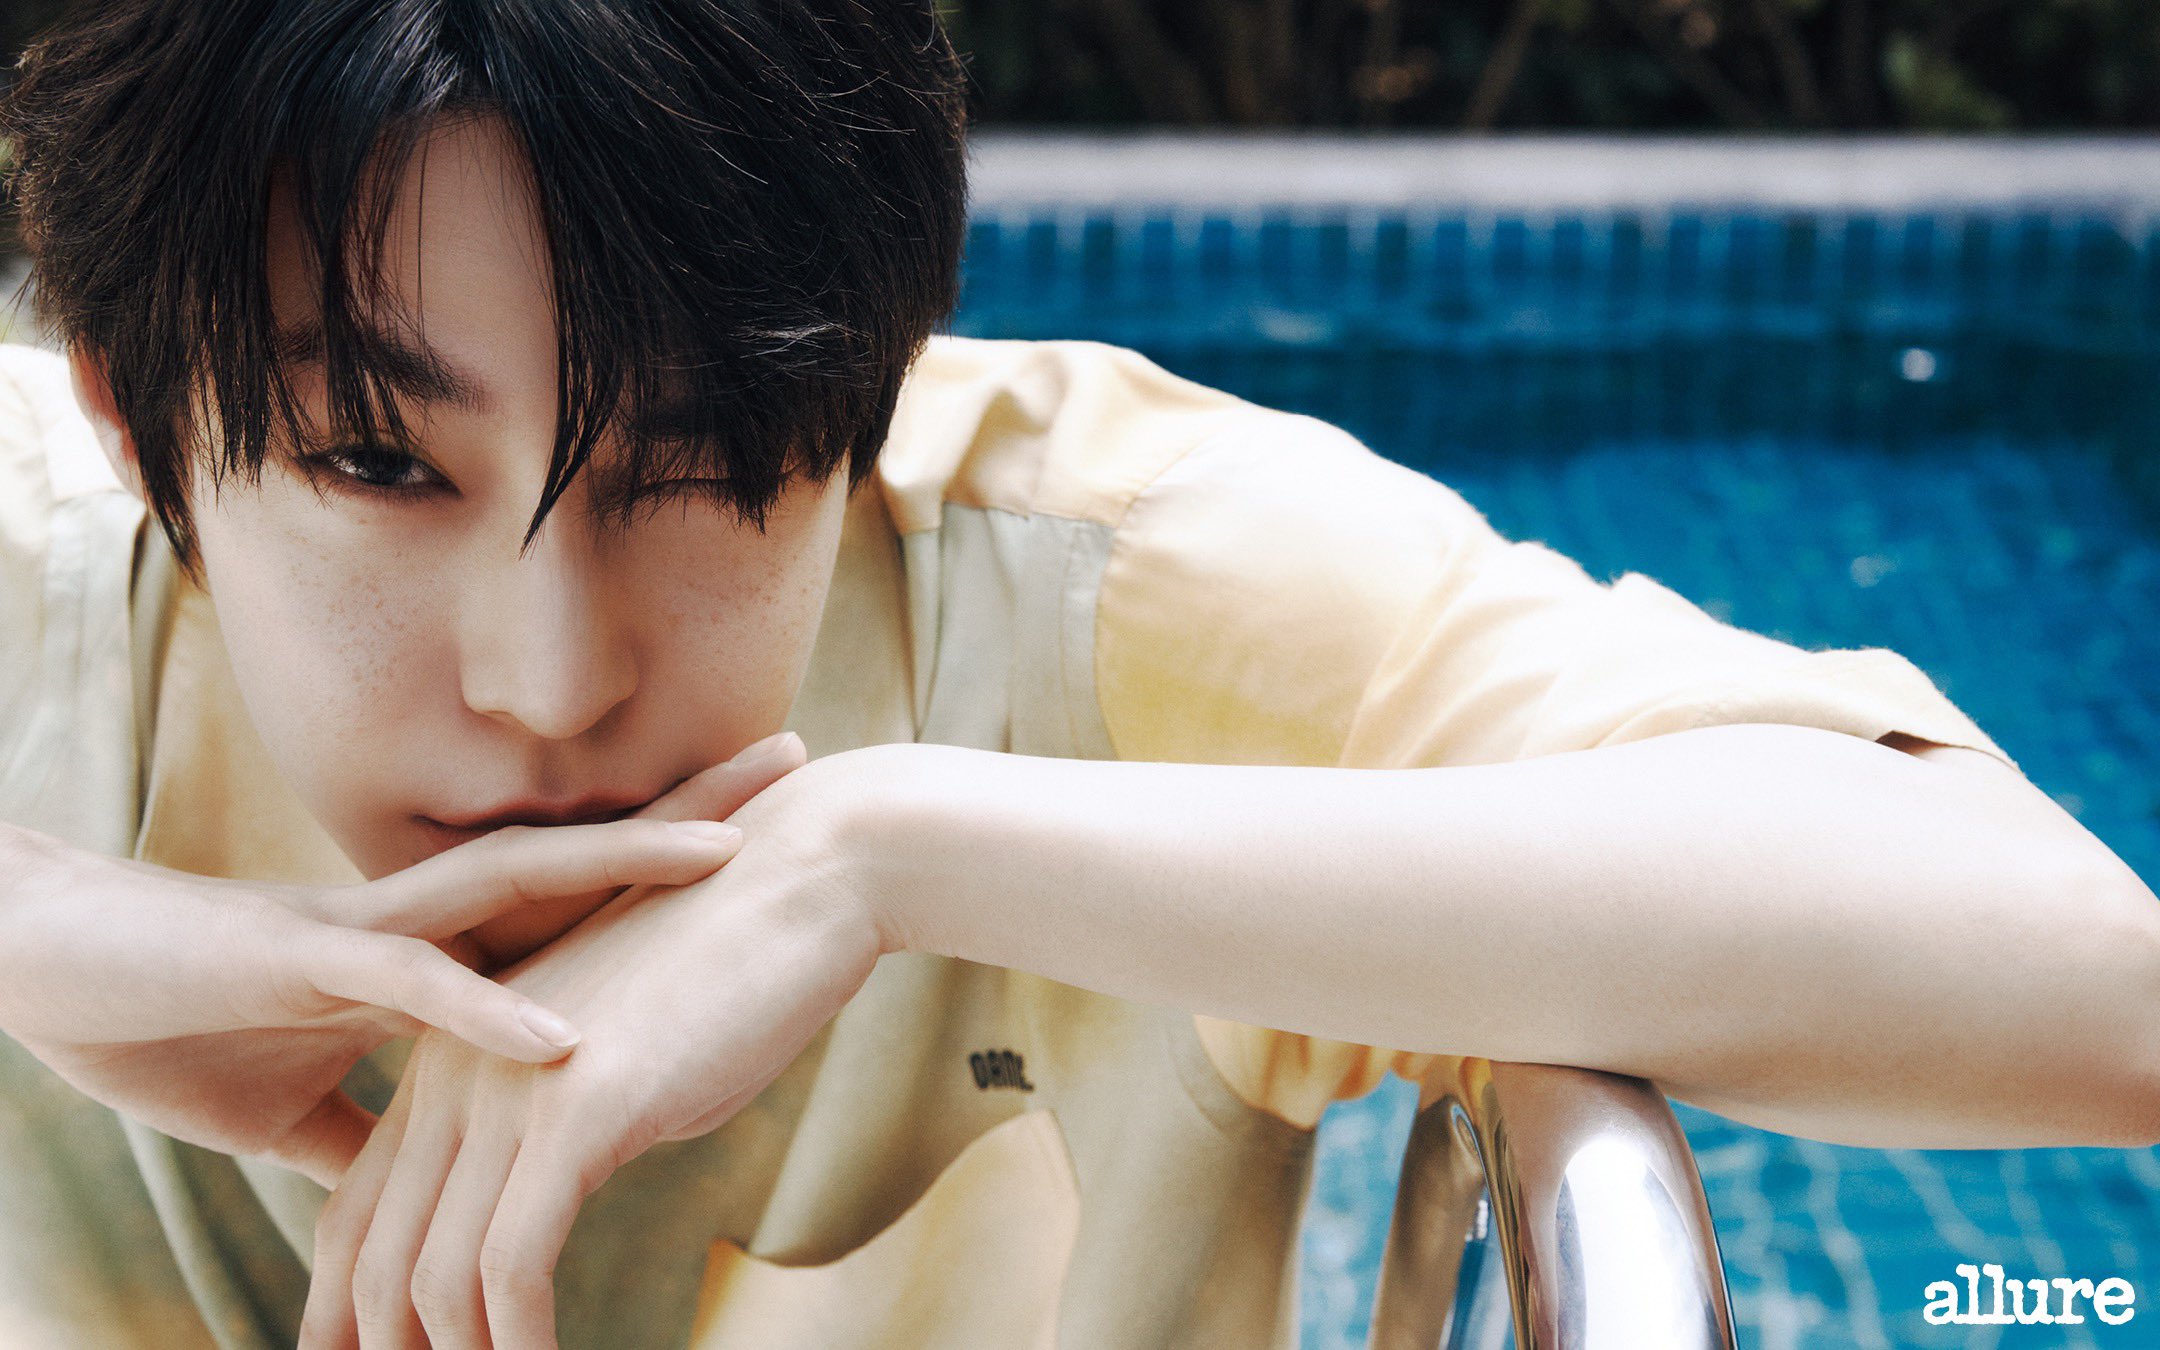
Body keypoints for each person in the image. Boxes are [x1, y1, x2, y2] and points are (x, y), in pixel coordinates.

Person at [0, 3, 2153, 1348]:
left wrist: (887, 852)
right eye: (378, 462)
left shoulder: (1096, 589)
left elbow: (2087, 982)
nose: (550, 677)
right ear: (133, 419)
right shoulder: (36, 580)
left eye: (710, 459)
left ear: (868, 392)